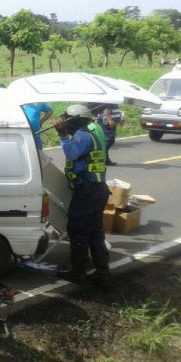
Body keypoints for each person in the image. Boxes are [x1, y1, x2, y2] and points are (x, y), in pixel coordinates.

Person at [53, 104, 111, 285]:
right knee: (94, 231)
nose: (65, 123)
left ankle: (78, 272)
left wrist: (62, 135)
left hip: (87, 191)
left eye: (67, 120)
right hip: (97, 189)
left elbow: (71, 154)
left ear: (75, 120)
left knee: (77, 230)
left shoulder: (82, 135)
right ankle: (103, 274)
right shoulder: (94, 131)